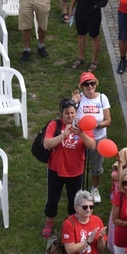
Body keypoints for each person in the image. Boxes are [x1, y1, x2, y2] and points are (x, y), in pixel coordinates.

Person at [41, 98, 96, 239]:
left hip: (76, 171)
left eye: (72, 113)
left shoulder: (82, 126)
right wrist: (63, 135)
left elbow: (92, 146)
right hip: (56, 169)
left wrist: (81, 134)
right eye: (67, 114)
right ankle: (49, 222)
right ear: (61, 114)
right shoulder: (54, 125)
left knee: (74, 200)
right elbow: (46, 144)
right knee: (53, 198)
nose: (70, 116)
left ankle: (72, 223)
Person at [72, 72, 111, 204]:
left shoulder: (102, 98)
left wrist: (96, 125)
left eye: (92, 83)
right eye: (86, 84)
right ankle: (77, 188)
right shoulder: (79, 99)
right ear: (82, 86)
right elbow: (68, 113)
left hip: (98, 138)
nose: (89, 86)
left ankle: (94, 188)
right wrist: (74, 102)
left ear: (96, 83)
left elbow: (108, 120)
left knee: (96, 165)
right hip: (80, 137)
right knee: (77, 163)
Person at [69, 0, 113, 71]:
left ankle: (94, 60)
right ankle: (81, 57)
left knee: (94, 36)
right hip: (80, 11)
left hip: (92, 12)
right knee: (81, 35)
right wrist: (70, 9)